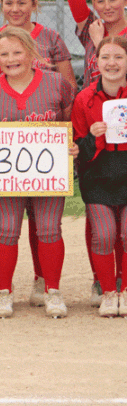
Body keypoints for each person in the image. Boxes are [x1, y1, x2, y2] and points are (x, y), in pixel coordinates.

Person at [0, 0, 77, 308]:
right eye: (4, 54)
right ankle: (3, 291)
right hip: (7, 174)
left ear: (33, 53)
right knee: (6, 227)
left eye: (18, 52)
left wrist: (70, 146)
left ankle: (51, 290)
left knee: (47, 227)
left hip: (46, 170)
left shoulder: (56, 83)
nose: (11, 58)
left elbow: (68, 118)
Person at [72, 36, 127, 317]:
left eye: (118, 57)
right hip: (98, 175)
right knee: (104, 235)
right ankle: (107, 292)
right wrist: (92, 138)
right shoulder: (84, 98)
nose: (112, 63)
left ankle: (125, 291)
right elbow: (76, 147)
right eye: (105, 57)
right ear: (96, 62)